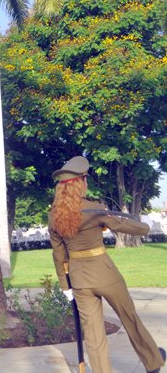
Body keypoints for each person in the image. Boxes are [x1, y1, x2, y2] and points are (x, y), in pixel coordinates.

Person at [49, 156, 165, 373]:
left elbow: (59, 255)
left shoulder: (54, 217)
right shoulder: (94, 209)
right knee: (129, 317)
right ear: (80, 183)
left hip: (79, 280)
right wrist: (146, 228)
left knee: (93, 334)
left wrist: (66, 287)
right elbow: (120, 224)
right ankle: (153, 361)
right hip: (105, 274)